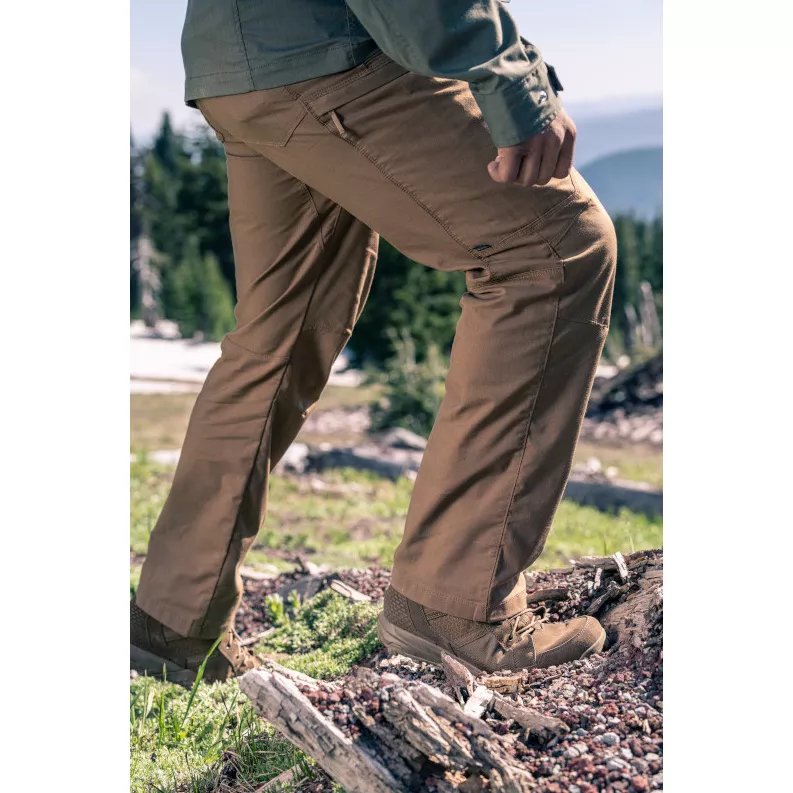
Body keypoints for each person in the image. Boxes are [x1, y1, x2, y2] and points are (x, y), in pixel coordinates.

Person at [131, 0, 617, 684]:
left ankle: (172, 619)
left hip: (238, 61)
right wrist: (511, 72)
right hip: (330, 49)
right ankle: (454, 603)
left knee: (278, 336)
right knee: (555, 249)